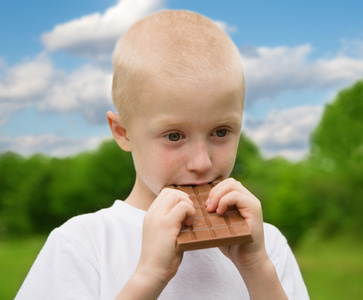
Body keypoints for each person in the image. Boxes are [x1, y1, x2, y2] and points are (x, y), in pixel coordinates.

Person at [16, 10, 309, 299]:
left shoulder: (267, 245)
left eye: (221, 132)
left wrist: (256, 266)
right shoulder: (83, 243)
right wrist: (149, 276)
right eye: (174, 136)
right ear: (123, 132)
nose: (202, 162)